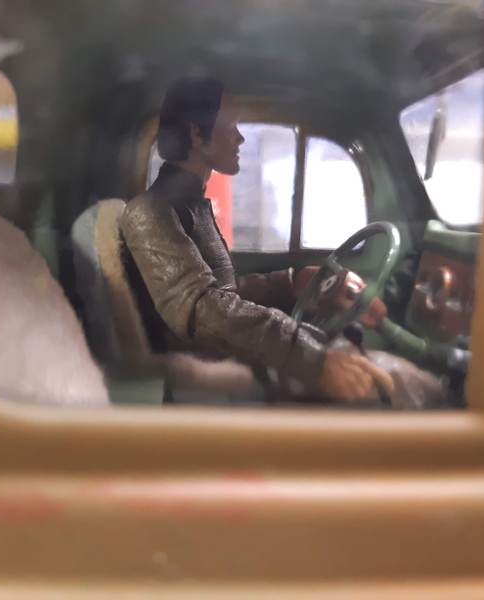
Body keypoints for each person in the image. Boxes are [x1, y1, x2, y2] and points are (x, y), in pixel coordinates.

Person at [120, 76, 393, 403]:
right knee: (378, 389)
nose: (239, 138)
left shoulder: (190, 205)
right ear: (196, 134)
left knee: (362, 361)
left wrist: (294, 282)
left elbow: (223, 294)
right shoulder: (149, 212)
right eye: (231, 126)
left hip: (218, 356)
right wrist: (311, 359)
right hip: (199, 378)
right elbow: (202, 309)